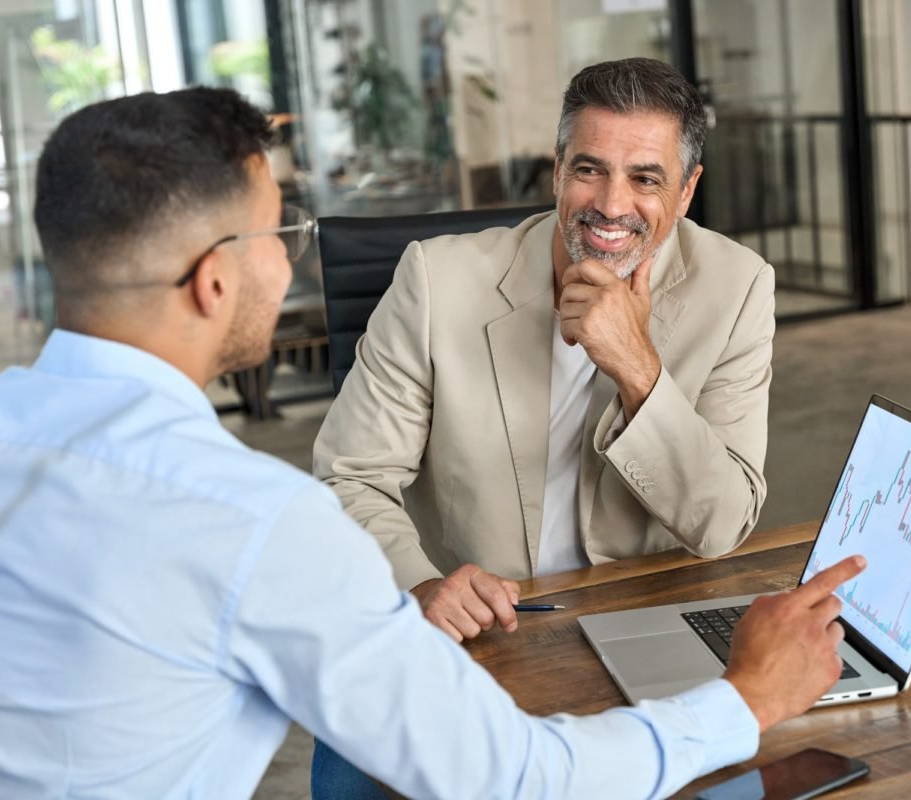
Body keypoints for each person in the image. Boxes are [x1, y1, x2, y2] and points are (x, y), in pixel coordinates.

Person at [0, 87, 864, 799]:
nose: (291, 257)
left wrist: (637, 368)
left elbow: (721, 518)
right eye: (279, 231)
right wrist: (746, 701)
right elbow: (515, 779)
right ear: (214, 282)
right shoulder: (255, 521)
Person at [315, 57, 777, 644]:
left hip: (645, 617)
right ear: (558, 171)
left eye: (645, 179)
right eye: (589, 169)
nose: (612, 205)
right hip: (484, 627)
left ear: (686, 191)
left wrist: (637, 369)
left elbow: (721, 525)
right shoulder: (437, 280)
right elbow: (349, 478)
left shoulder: (737, 287)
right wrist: (420, 586)